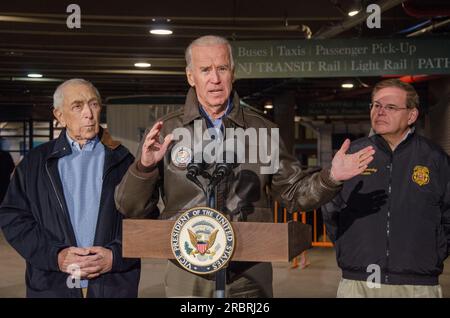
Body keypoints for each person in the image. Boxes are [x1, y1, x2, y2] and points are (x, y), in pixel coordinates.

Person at [114, 35, 374, 298]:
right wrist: (144, 168)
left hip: (249, 269)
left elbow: (293, 193)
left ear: (233, 73)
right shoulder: (166, 130)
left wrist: (331, 177)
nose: (215, 79)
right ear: (191, 76)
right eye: (205, 70)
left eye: (222, 68)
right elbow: (129, 206)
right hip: (187, 269)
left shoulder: (262, 129)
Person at [0, 79, 143, 298]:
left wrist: (116, 255)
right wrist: (54, 255)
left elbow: (143, 217)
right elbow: (13, 218)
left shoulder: (123, 160)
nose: (88, 113)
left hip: (112, 285)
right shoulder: (34, 164)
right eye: (77, 106)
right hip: (52, 285)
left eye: (93, 104)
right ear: (59, 116)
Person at [322, 79, 450, 298]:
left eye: (390, 107)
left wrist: (434, 254)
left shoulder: (435, 159)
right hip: (358, 282)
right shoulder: (352, 155)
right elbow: (331, 210)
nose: (380, 111)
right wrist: (350, 247)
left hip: (417, 284)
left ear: (412, 115)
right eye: (376, 105)